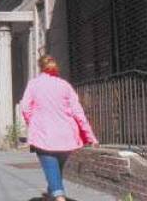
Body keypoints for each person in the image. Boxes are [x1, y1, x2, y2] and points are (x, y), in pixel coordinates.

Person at [20, 55, 98, 201]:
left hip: (44, 137)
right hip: (66, 138)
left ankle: (58, 196)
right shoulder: (65, 85)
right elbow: (78, 112)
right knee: (56, 171)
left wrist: (33, 121)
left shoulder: (34, 84)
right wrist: (90, 136)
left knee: (53, 175)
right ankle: (51, 195)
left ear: (40, 67)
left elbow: (25, 107)